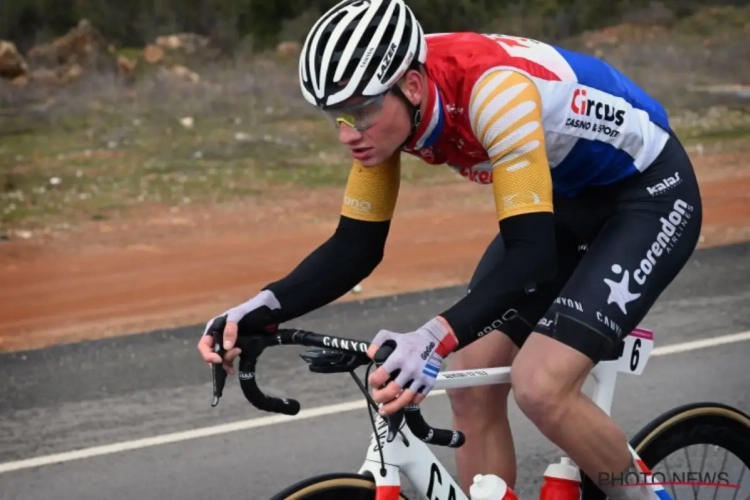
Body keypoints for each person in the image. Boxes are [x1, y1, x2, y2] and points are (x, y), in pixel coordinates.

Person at [197, 0, 703, 498]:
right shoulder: (388, 109)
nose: (350, 134)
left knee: (541, 387)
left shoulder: (494, 93)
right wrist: (256, 310)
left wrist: (432, 335)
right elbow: (356, 247)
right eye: (337, 116)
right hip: (563, 200)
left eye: (362, 112)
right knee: (470, 384)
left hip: (646, 196)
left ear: (412, 86)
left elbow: (531, 260)